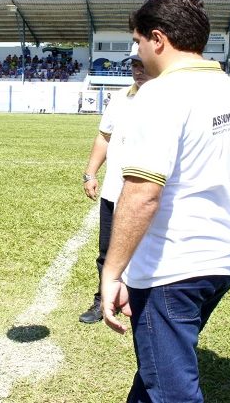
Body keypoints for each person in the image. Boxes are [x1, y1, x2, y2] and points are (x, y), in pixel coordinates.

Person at [100, 0, 230, 402]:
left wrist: (113, 273)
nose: (137, 50)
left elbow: (141, 195)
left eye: (136, 41)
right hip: (223, 258)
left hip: (174, 266)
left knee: (173, 390)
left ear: (157, 39)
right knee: (157, 364)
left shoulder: (159, 95)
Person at [79, 43, 151, 324]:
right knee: (107, 251)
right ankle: (103, 299)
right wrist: (90, 173)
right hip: (114, 192)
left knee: (147, 251)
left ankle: (142, 302)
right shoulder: (120, 98)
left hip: (148, 194)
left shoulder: (169, 101)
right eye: (134, 64)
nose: (138, 70)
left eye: (143, 64)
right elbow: (104, 137)